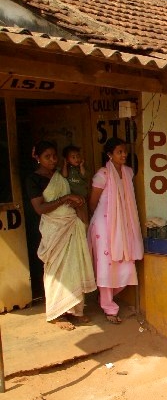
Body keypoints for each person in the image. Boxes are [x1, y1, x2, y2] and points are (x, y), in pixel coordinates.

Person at [26, 141, 96, 330]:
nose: (52, 160)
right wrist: (65, 198)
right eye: (47, 157)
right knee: (56, 270)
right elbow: (40, 208)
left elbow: (74, 192)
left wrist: (76, 200)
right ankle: (57, 313)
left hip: (70, 225)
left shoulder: (61, 175)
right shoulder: (34, 180)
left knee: (74, 266)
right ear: (37, 158)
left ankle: (75, 310)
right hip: (54, 229)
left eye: (54, 156)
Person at [88, 138, 144, 325]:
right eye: (119, 152)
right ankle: (109, 307)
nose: (124, 155)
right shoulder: (102, 174)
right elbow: (93, 202)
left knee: (126, 263)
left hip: (124, 225)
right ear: (109, 155)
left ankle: (105, 297)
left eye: (125, 151)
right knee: (106, 265)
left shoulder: (128, 172)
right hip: (104, 227)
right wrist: (106, 218)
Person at [61, 145, 89, 224]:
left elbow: (84, 175)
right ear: (67, 159)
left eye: (78, 156)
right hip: (72, 198)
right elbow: (64, 175)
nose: (76, 159)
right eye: (73, 157)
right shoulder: (67, 169)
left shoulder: (81, 168)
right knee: (75, 218)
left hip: (82, 197)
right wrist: (65, 165)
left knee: (83, 218)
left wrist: (81, 166)